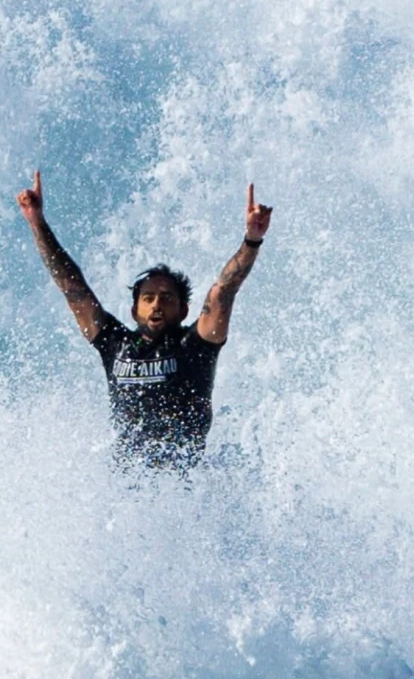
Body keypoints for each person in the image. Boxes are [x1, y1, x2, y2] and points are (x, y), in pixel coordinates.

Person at [16, 170, 272, 469]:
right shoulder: (114, 343)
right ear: (134, 311)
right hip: (128, 489)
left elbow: (223, 291)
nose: (156, 304)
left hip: (183, 485)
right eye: (148, 298)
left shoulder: (196, 346)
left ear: (183, 311)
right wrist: (37, 222)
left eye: (166, 297)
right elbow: (72, 287)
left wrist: (251, 240)